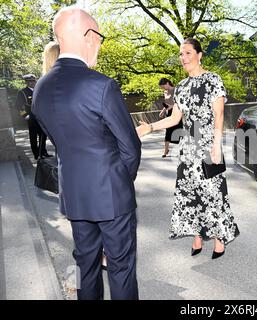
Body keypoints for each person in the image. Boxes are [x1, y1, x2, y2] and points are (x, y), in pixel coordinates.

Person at [32, 7, 141, 300]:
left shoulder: (40, 89)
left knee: (84, 266)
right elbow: (130, 147)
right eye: (100, 37)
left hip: (74, 197)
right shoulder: (101, 85)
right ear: (88, 36)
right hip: (112, 198)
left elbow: (57, 140)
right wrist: (119, 183)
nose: (100, 45)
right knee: (121, 268)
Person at [136, 38, 239, 259]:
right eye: (181, 54)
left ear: (199, 55)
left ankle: (219, 239)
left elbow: (219, 115)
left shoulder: (213, 80)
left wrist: (217, 145)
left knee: (214, 194)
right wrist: (150, 127)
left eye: (188, 53)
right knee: (190, 194)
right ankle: (197, 237)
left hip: (209, 145)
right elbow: (175, 119)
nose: (183, 58)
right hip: (188, 148)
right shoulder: (181, 87)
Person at [15, 74, 51, 160]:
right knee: (33, 136)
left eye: (33, 81)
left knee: (43, 135)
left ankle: (43, 152)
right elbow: (18, 106)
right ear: (26, 82)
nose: (32, 83)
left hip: (41, 116)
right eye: (29, 81)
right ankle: (36, 154)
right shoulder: (22, 92)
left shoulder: (39, 90)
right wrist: (25, 115)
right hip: (31, 117)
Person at [158, 78, 183, 157]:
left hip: (177, 113)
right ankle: (165, 151)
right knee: (168, 132)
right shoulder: (165, 92)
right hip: (169, 114)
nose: (163, 88)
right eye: (162, 87)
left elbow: (181, 103)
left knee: (179, 132)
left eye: (163, 86)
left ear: (168, 83)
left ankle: (182, 150)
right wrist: (163, 111)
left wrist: (171, 106)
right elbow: (166, 104)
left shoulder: (176, 90)